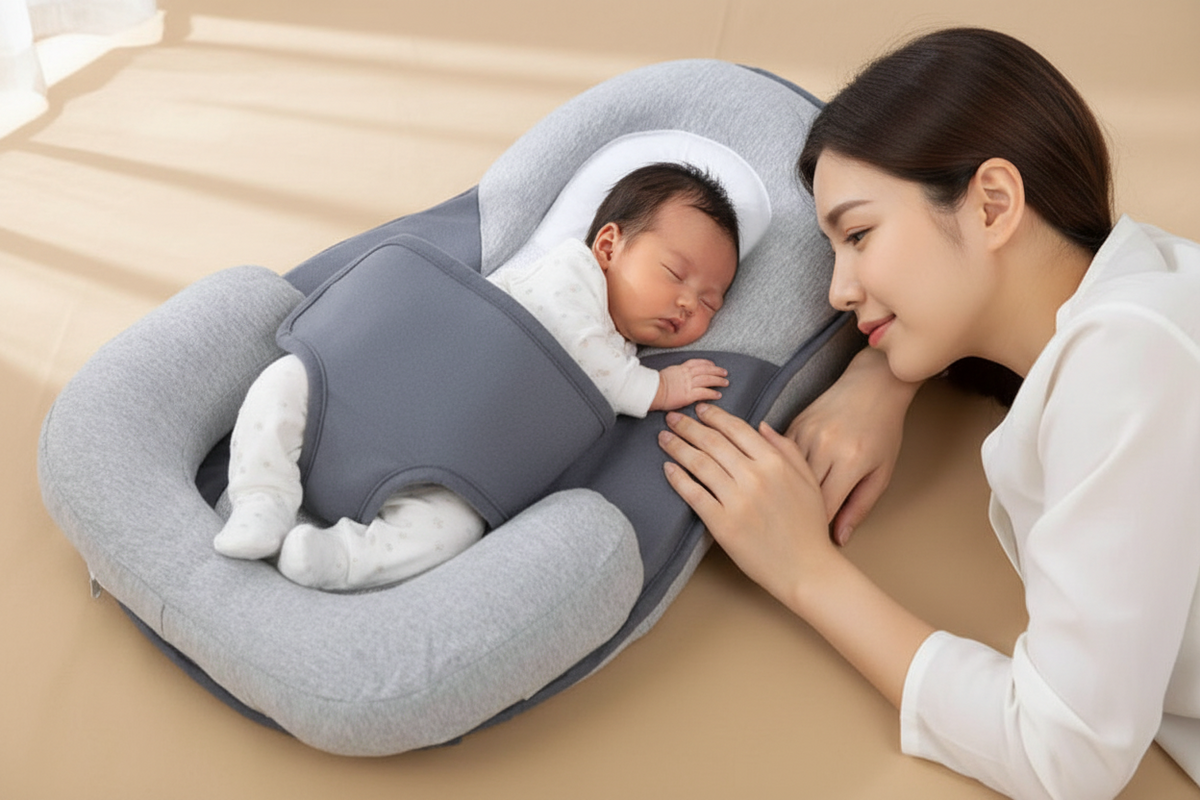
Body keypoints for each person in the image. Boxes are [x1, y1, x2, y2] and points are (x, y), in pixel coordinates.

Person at [657, 27, 1200, 800]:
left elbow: (1065, 759)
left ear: (994, 204)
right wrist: (887, 372)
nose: (838, 290)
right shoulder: (1149, 291)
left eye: (860, 234)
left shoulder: (1130, 356)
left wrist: (805, 571)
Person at [215, 161, 740, 591]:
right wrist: (660, 388)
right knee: (289, 379)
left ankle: (344, 559)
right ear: (608, 247)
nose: (687, 303)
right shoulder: (567, 275)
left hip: (455, 449)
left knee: (456, 524)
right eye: (675, 274)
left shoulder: (621, 353)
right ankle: (262, 496)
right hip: (392, 382)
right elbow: (584, 351)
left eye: (710, 304)